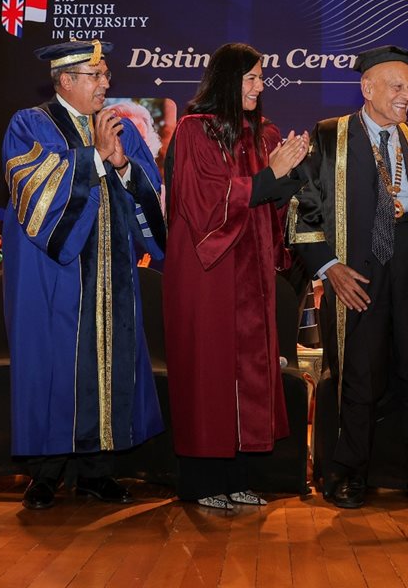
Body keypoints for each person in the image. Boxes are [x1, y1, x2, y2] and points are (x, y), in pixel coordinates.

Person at [290, 45, 408, 511]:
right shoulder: (329, 136)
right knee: (360, 370)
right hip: (357, 264)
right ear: (367, 87)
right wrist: (329, 267)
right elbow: (303, 204)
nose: (406, 95)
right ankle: (349, 473)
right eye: (397, 86)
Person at [2, 39, 166, 511]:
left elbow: (150, 190)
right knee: (56, 364)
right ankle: (46, 474)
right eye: (96, 76)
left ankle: (97, 472)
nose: (106, 84)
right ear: (66, 80)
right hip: (56, 274)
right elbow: (33, 192)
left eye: (106, 75)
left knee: (109, 364)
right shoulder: (30, 124)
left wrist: (123, 165)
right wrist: (94, 157)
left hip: (112, 274)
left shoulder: (120, 127)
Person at [163, 43, 308, 509]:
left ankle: (238, 478)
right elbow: (203, 201)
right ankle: (203, 482)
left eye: (261, 78)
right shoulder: (195, 130)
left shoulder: (262, 135)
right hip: (209, 272)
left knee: (249, 376)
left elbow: (271, 205)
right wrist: (270, 176)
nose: (260, 86)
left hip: (251, 274)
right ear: (227, 80)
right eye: (251, 78)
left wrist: (291, 174)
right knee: (210, 372)